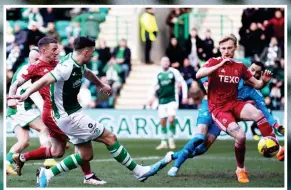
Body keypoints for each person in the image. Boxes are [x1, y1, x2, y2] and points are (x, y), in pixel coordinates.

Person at [13, 37, 163, 187]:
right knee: (109, 137)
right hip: (68, 116)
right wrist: (25, 94)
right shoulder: (64, 67)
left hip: (68, 113)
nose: (94, 55)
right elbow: (44, 80)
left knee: (84, 154)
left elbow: (87, 72)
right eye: (92, 52)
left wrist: (101, 84)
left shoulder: (73, 61)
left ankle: (47, 173)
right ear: (85, 52)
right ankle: (138, 171)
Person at [7, 37, 103, 185]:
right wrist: (11, 98)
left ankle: (21, 158)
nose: (58, 52)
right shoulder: (34, 67)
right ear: (43, 51)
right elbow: (16, 83)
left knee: (57, 152)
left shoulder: (60, 63)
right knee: (80, 140)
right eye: (54, 49)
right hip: (53, 112)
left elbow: (85, 71)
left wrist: (100, 83)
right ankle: (88, 176)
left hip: (64, 109)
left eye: (57, 49)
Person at [6, 49, 54, 175]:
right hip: (21, 108)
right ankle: (48, 158)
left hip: (14, 109)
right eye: (35, 60)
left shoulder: (24, 68)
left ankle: (6, 164)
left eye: (39, 60)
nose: (38, 62)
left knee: (24, 141)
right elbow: (36, 98)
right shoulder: (28, 72)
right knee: (44, 128)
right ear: (29, 60)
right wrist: (47, 112)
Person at [148, 56, 188, 150]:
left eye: (167, 61)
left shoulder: (174, 72)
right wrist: (150, 98)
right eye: (164, 61)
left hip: (172, 100)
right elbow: (153, 86)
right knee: (162, 121)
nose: (165, 62)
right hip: (162, 101)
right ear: (161, 63)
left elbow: (183, 83)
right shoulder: (158, 74)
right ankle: (163, 141)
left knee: (170, 119)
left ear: (169, 63)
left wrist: (185, 96)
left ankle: (171, 139)